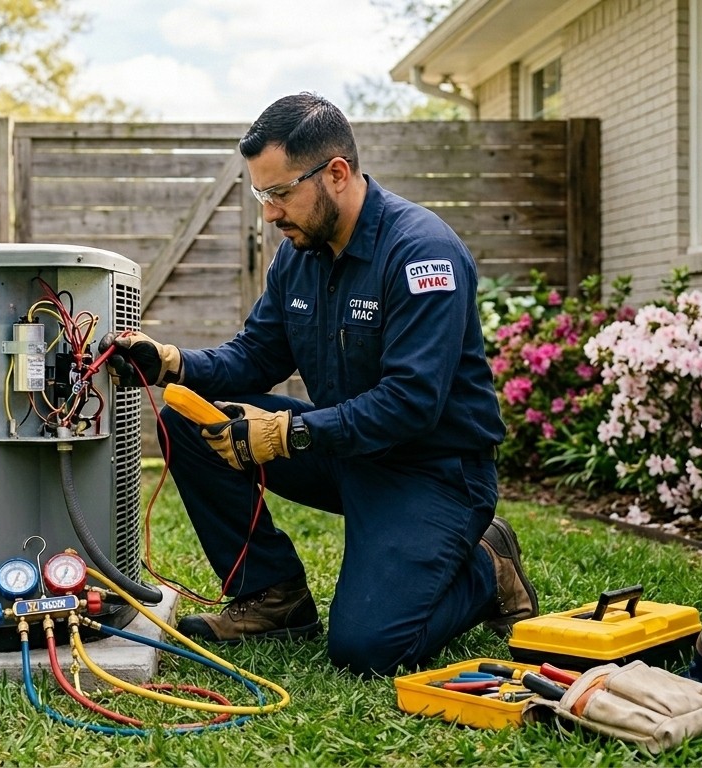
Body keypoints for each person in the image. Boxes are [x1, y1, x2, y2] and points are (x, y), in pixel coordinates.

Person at [102, 92, 537, 678]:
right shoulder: (297, 256)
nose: (270, 214)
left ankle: (487, 563)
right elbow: (257, 355)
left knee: (371, 650)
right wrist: (174, 364)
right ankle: (274, 596)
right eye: (262, 194)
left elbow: (411, 402)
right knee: (187, 416)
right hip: (343, 452)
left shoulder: (420, 253)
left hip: (432, 473)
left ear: (336, 173)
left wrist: (287, 434)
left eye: (279, 193)